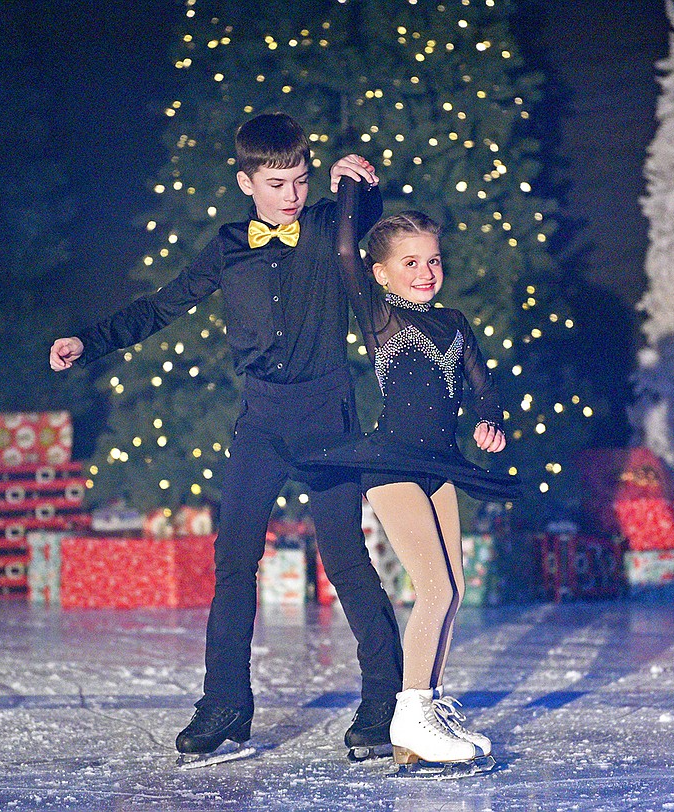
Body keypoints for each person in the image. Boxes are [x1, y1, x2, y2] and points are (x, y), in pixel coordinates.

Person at [49, 114, 404, 766]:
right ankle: (225, 704)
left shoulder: (328, 228)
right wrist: (89, 342)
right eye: (277, 184)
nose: (291, 195)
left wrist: (359, 180)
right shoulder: (227, 245)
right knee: (233, 560)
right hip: (261, 423)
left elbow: (371, 234)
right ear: (246, 182)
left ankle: (384, 700)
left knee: (345, 558)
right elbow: (159, 305)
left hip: (327, 419)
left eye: (299, 180)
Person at [302, 177, 520, 776]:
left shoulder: (454, 323)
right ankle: (410, 711)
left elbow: (482, 389)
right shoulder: (378, 315)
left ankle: (427, 713)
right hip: (391, 464)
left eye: (433, 260)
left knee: (451, 594)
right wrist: (345, 186)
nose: (424, 272)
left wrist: (489, 421)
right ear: (382, 273)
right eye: (410, 262)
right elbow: (345, 250)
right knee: (438, 589)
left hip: (441, 467)